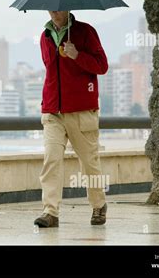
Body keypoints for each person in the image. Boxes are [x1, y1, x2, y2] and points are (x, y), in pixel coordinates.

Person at [34, 11, 109, 228]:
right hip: (52, 112)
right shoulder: (45, 36)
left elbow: (102, 66)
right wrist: (47, 103)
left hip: (82, 110)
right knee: (51, 159)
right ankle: (50, 212)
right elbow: (50, 70)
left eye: (59, 8)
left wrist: (77, 55)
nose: (54, 12)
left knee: (89, 163)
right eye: (51, 8)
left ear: (68, 9)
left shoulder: (86, 32)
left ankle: (98, 205)